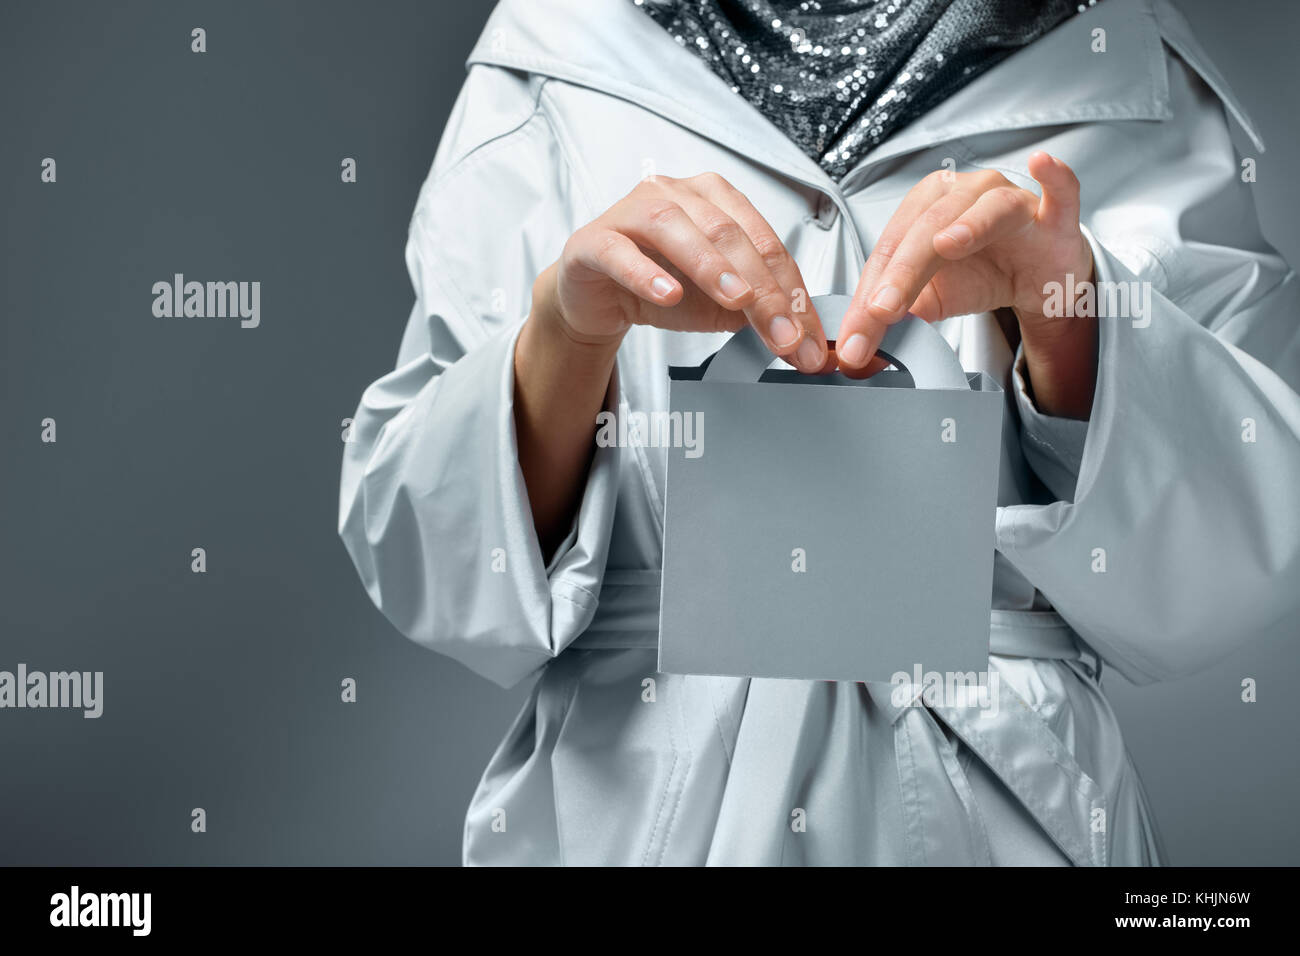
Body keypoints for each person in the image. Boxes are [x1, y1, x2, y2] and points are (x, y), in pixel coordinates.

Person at [338, 0, 1300, 865]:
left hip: (1011, 818)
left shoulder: (1123, 62)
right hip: (629, 814)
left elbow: (1233, 555)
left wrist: (1071, 310)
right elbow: (428, 556)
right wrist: (565, 334)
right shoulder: (550, 64)